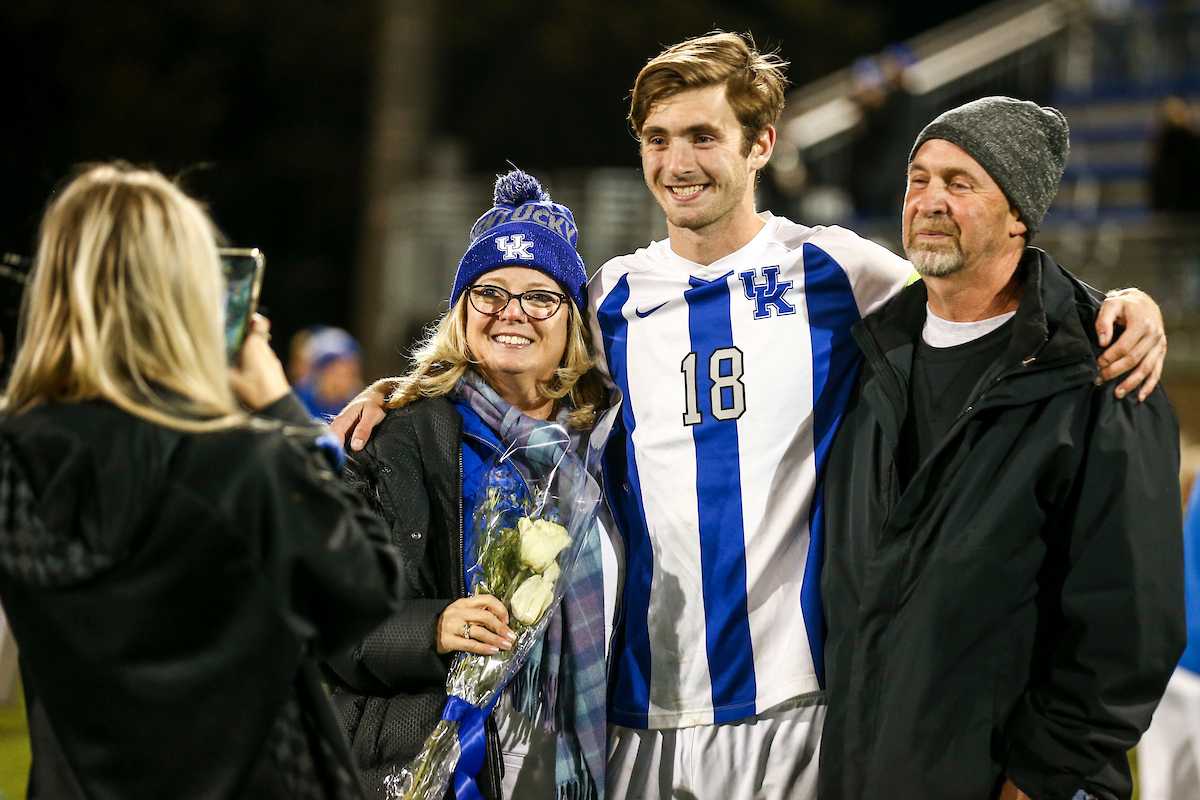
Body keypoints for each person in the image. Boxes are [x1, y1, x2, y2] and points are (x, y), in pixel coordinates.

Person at [333, 33, 1169, 800]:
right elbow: (505, 367)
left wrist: (1119, 306)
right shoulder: (609, 296)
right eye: (657, 139)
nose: (677, 163)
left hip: (799, 706)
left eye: (703, 136)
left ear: (761, 144)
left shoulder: (842, 269)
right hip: (636, 708)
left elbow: (979, 293)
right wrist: (401, 392)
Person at [819, 97, 1185, 800]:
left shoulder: (1099, 369)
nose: (929, 201)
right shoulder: (869, 349)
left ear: (1019, 213)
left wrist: (1039, 778)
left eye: (960, 183)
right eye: (919, 179)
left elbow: (1130, 627)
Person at [0, 163, 401, 799]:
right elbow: (363, 592)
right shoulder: (240, 461)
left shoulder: (14, 458)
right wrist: (281, 408)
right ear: (185, 298)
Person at [323, 170, 617, 800]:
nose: (512, 313)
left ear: (572, 323)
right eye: (490, 293)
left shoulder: (610, 444)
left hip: (590, 761)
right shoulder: (391, 442)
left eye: (540, 297)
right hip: (444, 768)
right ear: (462, 313)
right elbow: (326, 615)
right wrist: (429, 629)